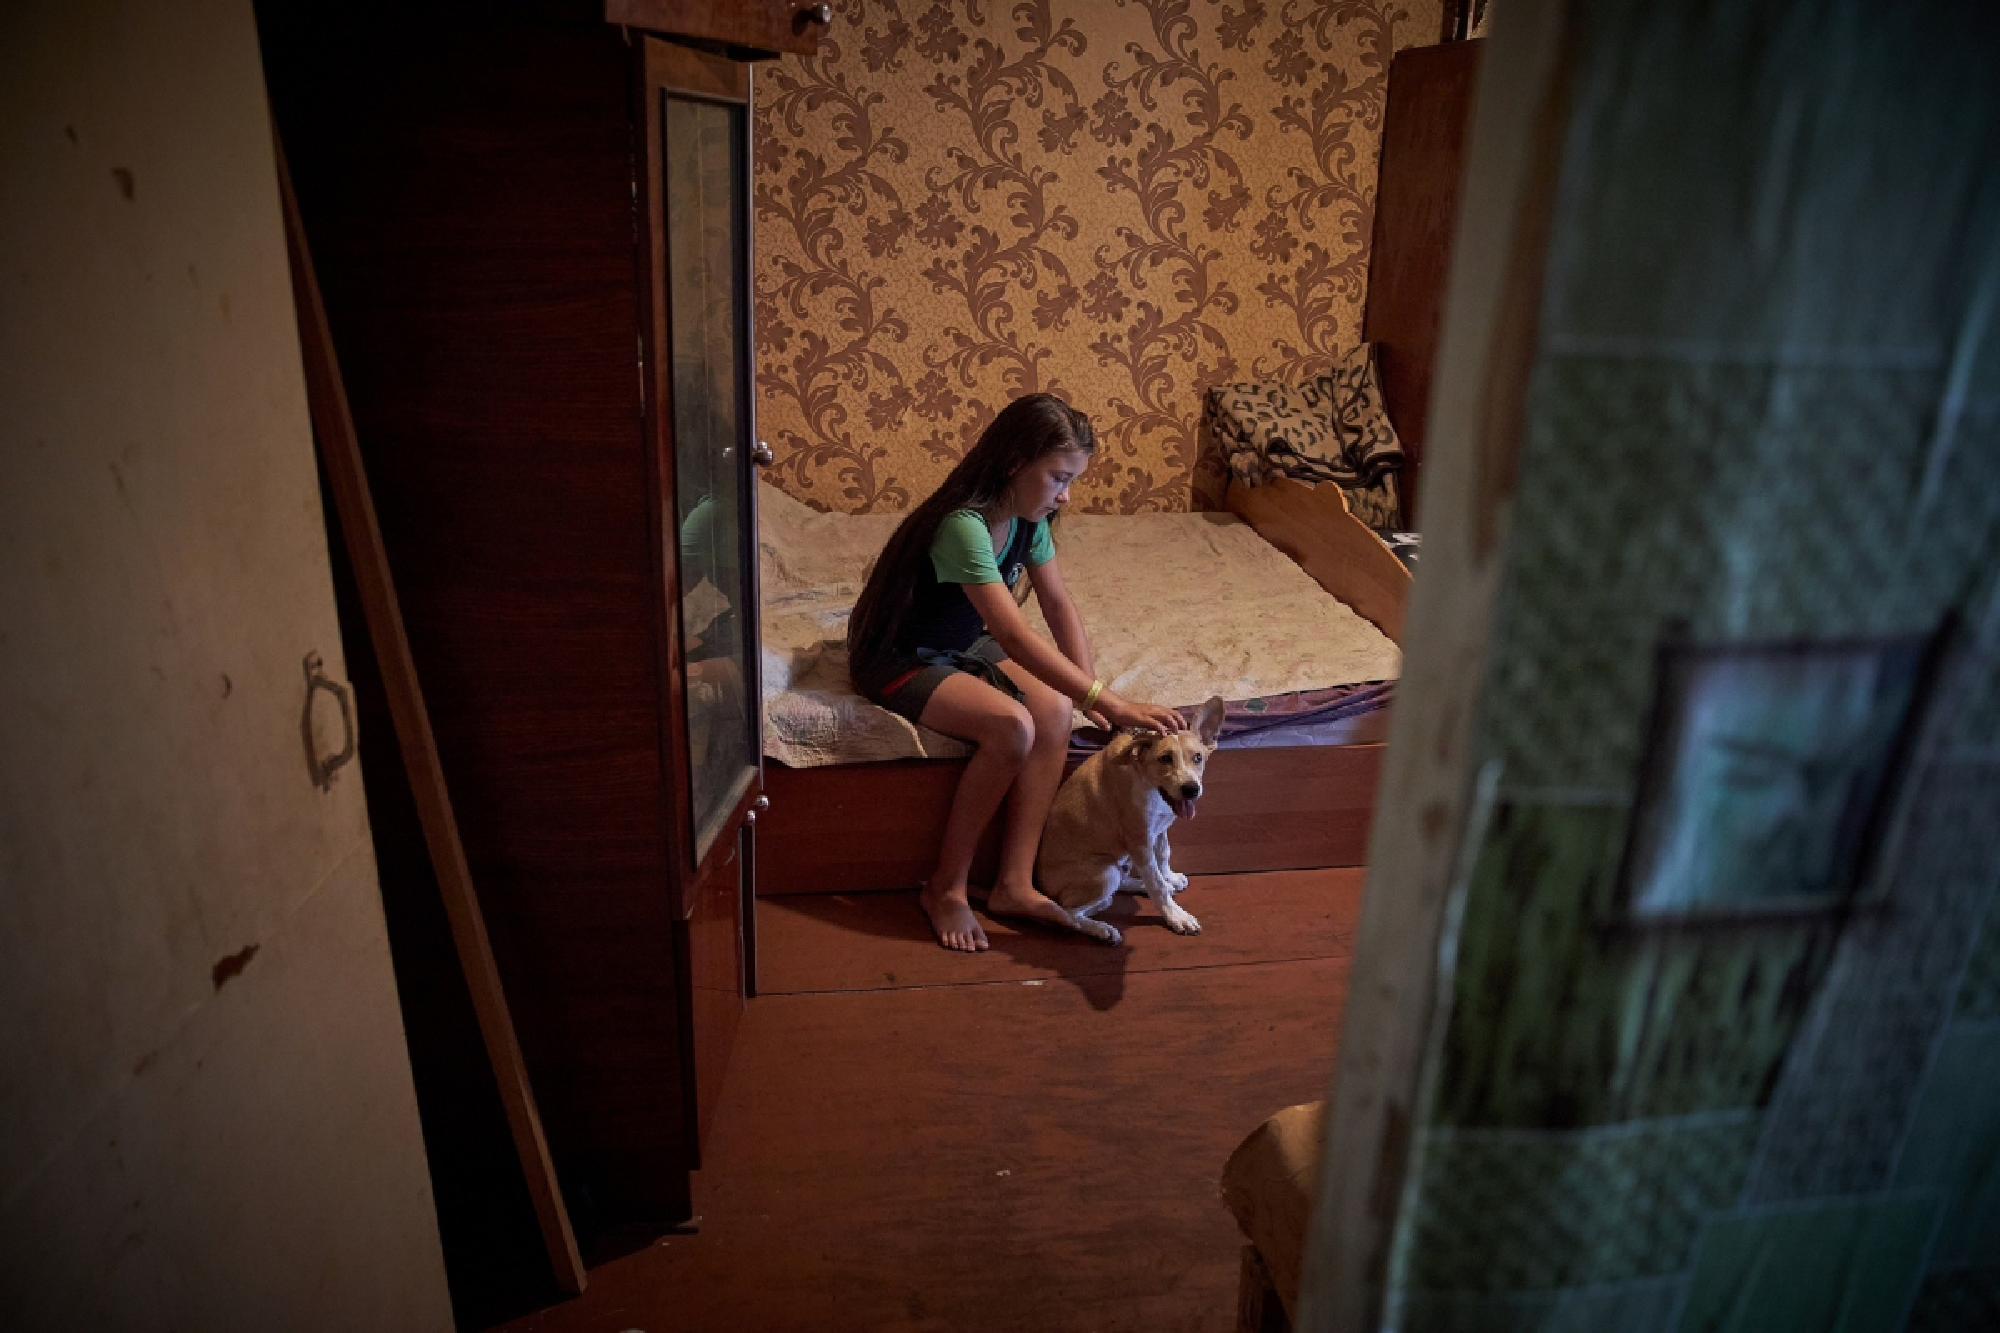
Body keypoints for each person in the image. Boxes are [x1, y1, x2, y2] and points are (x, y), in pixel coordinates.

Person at [847, 393, 1186, 952]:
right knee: (1012, 728)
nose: (1065, 494)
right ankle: (946, 888)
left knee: (1053, 707)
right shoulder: (964, 525)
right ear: (1013, 463)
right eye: (1057, 478)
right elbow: (1013, 634)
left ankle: (1014, 884)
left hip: (960, 640)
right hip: (901, 655)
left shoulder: (1032, 520)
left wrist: (1093, 698)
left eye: (1070, 479)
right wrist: (1110, 698)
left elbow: (1056, 604)